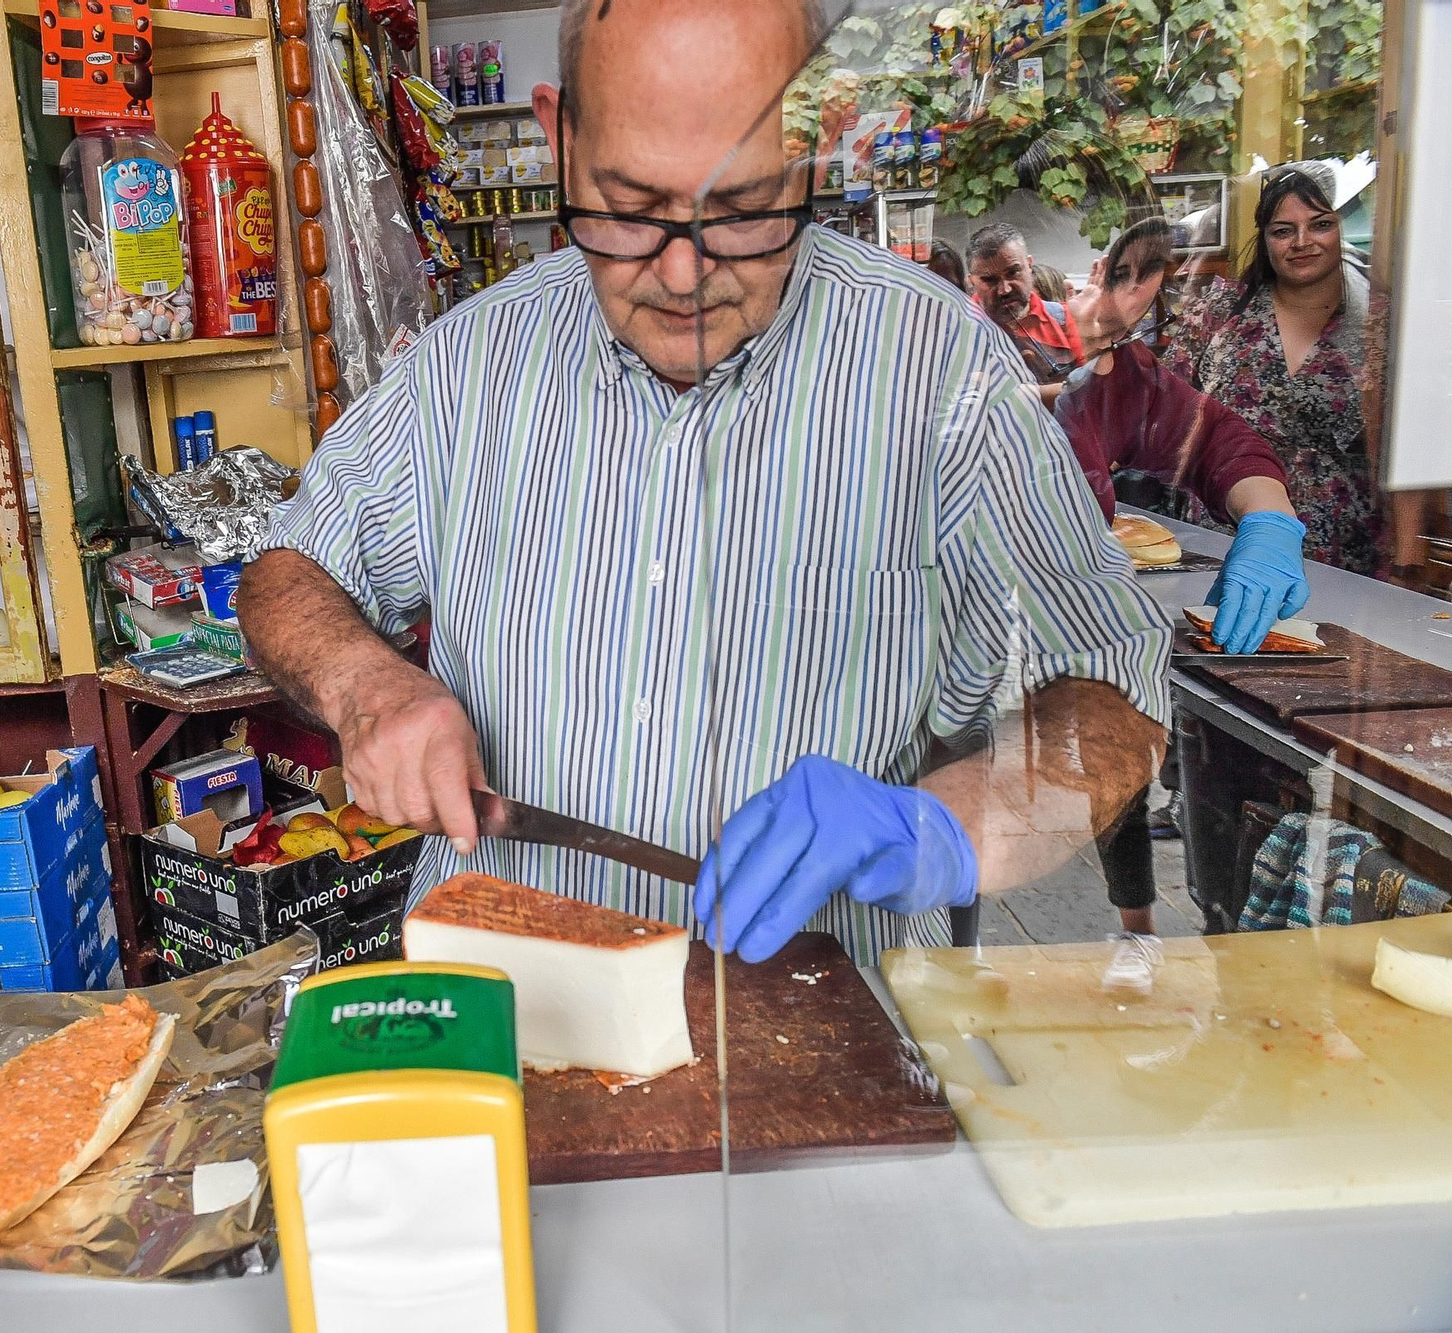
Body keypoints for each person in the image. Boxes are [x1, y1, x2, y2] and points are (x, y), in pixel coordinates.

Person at [240, 0, 1169, 966]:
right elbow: (286, 570)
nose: (683, 274)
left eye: (743, 212)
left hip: (825, 1036)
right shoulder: (468, 362)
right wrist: (366, 687)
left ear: (813, 153)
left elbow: (1117, 696)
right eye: (631, 211)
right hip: (505, 1021)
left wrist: (937, 826)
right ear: (558, 139)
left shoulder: (942, 370)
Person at [1055, 217, 1310, 989]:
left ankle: (1141, 931)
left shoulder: (1117, 375)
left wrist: (1269, 518)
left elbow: (1212, 442)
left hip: (1076, 615)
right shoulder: (972, 354)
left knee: (1115, 759)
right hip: (943, 629)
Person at [1164, 163, 1382, 574]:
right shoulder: (1222, 311)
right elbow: (1161, 402)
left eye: (1320, 225)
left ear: (1342, 231)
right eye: (1283, 231)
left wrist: (1407, 552)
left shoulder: (1378, 323)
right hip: (1225, 535)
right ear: (1265, 240)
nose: (1302, 242)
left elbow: (1409, 440)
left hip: (1343, 552)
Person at [967, 222, 1087, 395]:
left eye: (1013, 273)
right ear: (972, 282)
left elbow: (1093, 389)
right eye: (990, 280)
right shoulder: (961, 331)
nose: (1004, 289)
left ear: (1029, 265)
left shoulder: (1066, 317)